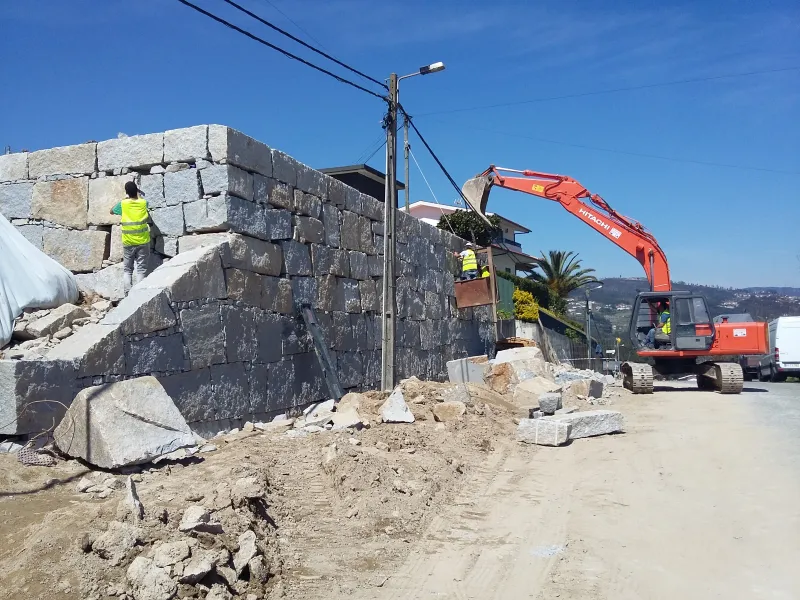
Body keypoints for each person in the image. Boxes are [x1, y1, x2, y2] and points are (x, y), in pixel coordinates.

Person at [110, 181, 150, 294]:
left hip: (128, 242)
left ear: (126, 192)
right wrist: (138, 194)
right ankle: (139, 294)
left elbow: (111, 211)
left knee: (128, 270)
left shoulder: (123, 204)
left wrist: (125, 198)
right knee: (141, 269)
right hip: (143, 241)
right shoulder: (143, 203)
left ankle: (128, 295)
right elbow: (144, 202)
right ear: (136, 191)